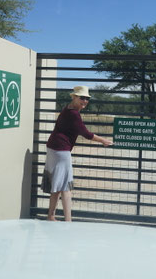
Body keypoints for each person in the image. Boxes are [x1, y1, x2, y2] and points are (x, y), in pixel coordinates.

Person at [41, 85, 113, 221]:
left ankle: (51, 216)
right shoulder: (74, 114)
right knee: (66, 186)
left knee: (57, 184)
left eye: (87, 98)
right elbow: (86, 134)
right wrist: (103, 140)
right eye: (82, 98)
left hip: (53, 148)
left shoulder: (67, 109)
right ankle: (68, 221)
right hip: (61, 151)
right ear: (74, 97)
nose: (85, 101)